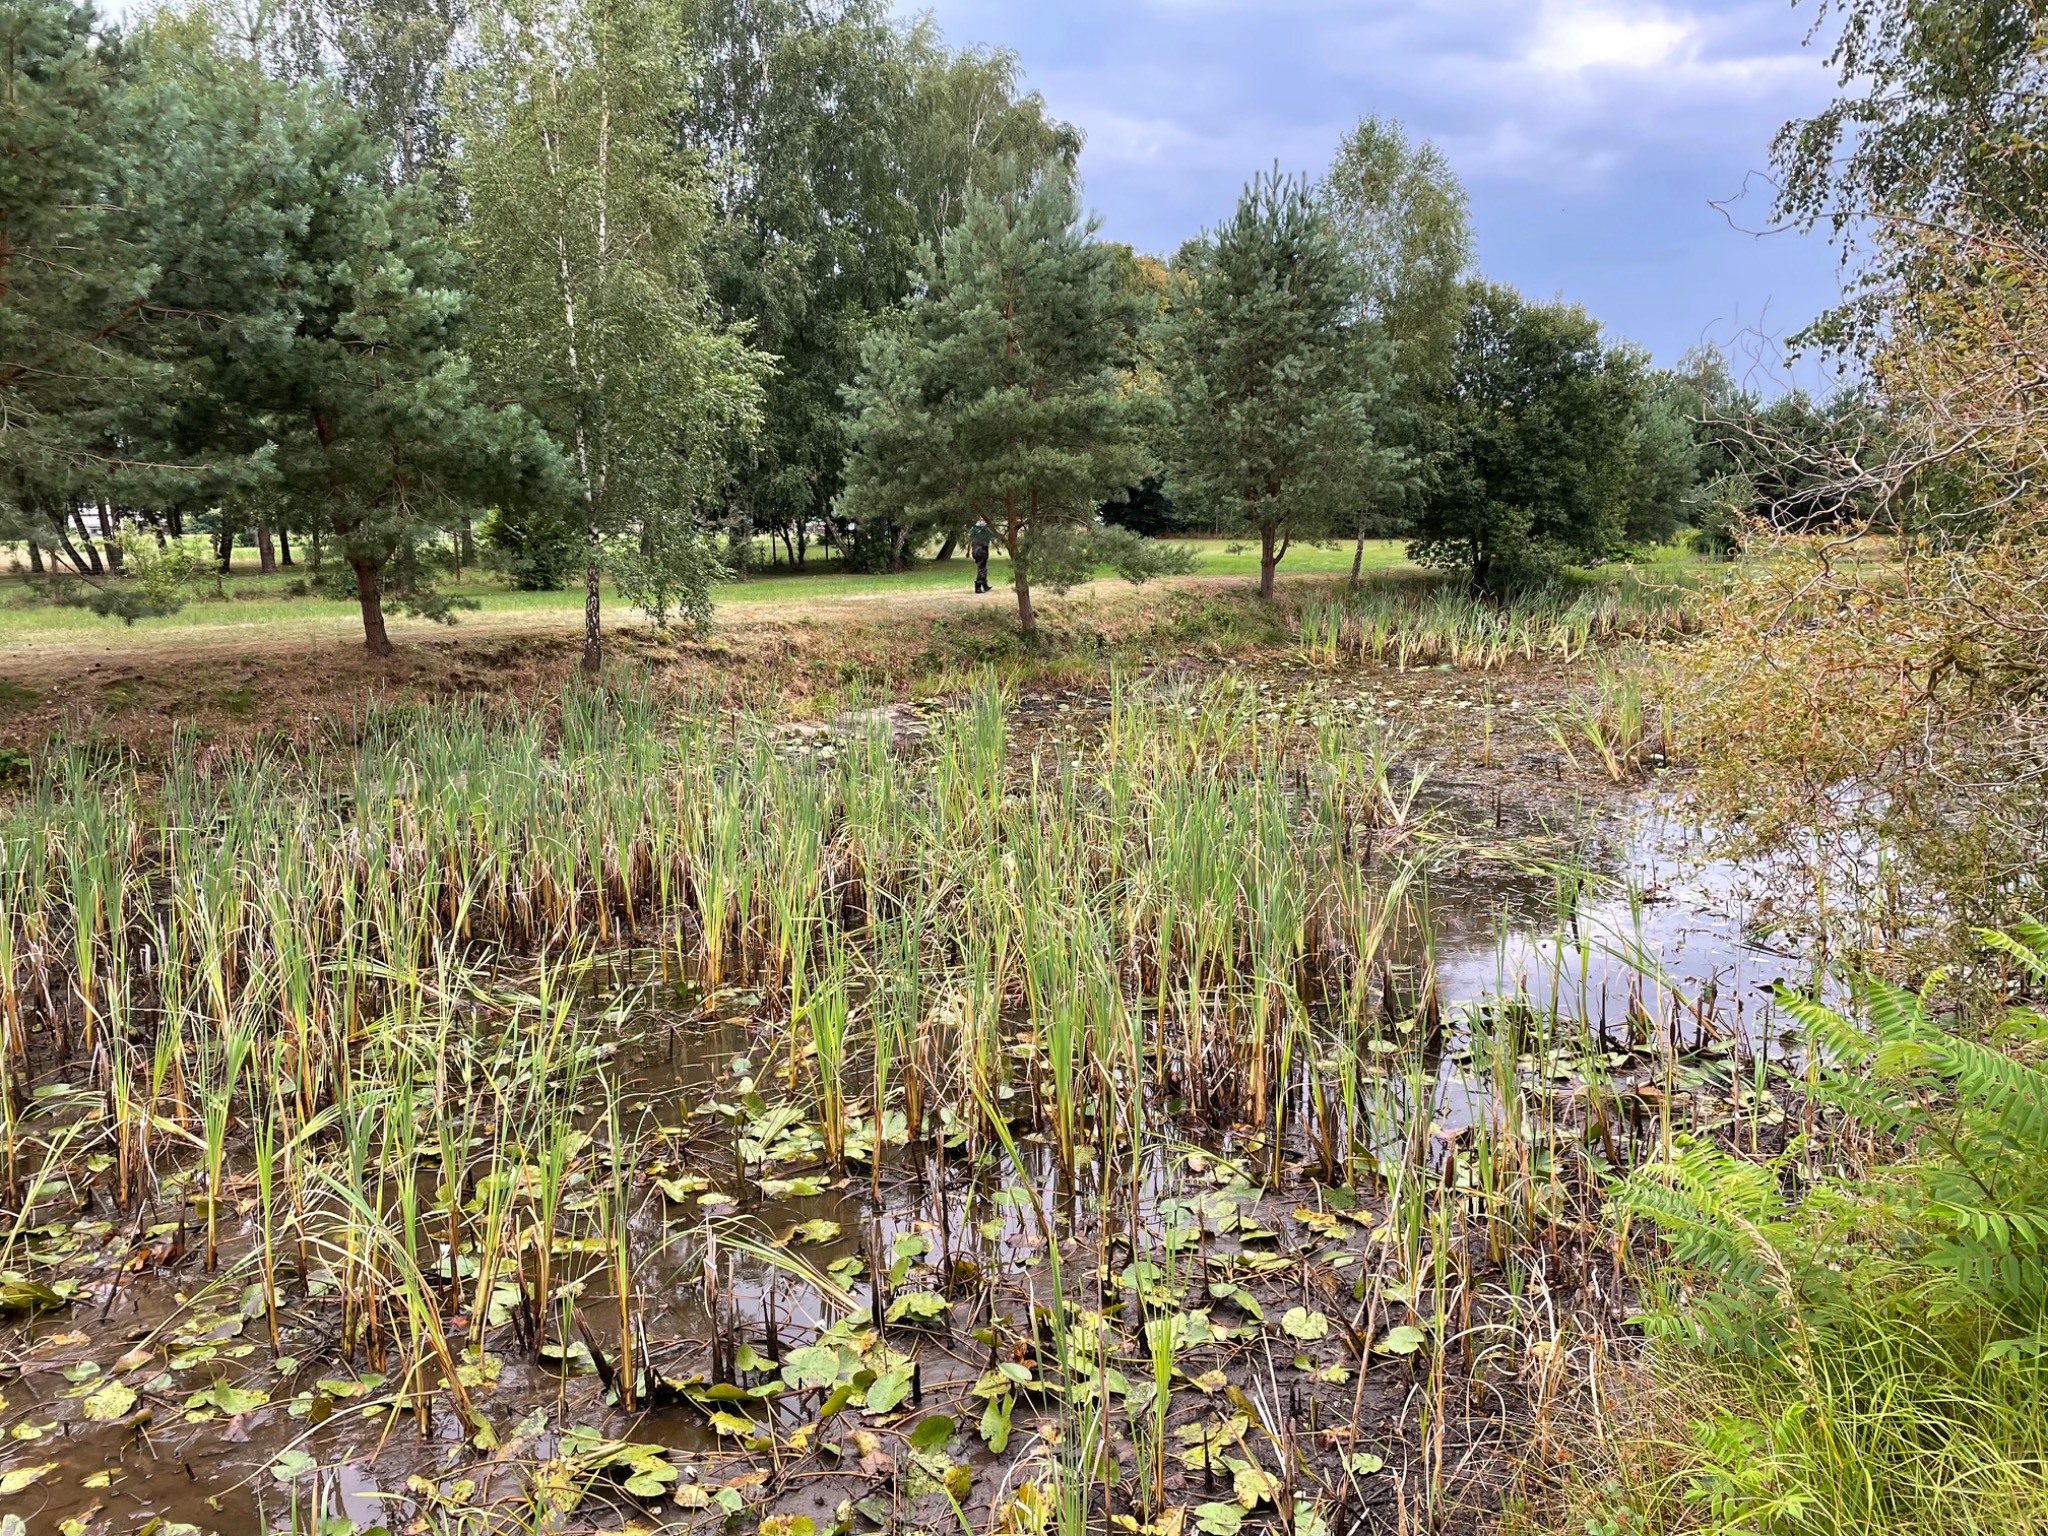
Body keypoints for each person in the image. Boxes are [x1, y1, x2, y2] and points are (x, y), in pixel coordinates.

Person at [968, 517, 994, 593]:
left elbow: (970, 539)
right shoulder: (986, 528)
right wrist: (998, 548)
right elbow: (992, 538)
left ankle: (985, 586)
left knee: (981, 567)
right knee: (982, 568)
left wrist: (968, 551)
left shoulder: (974, 527)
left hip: (975, 549)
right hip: (983, 549)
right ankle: (978, 588)